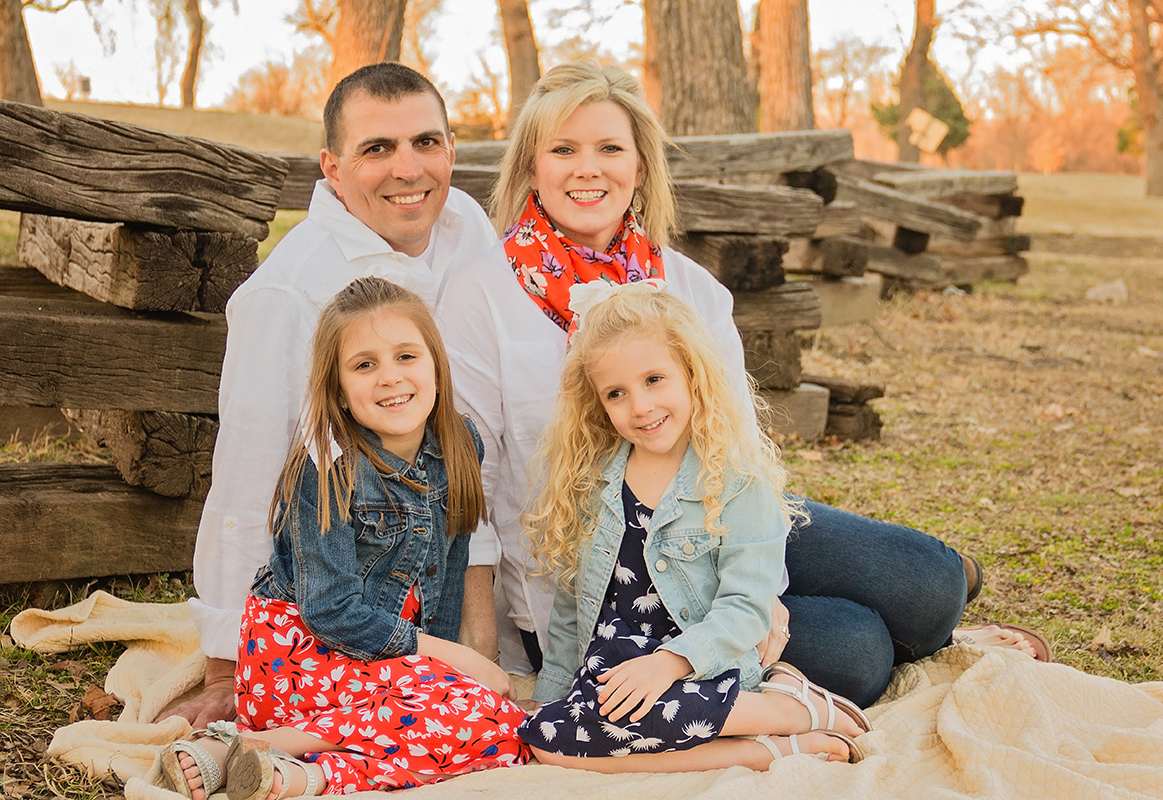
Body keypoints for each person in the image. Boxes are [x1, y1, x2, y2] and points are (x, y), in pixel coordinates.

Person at [437, 61, 1043, 711]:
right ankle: (919, 636)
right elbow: (469, 489)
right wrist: (483, 647)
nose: (588, 168)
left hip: (722, 524)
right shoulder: (480, 295)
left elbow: (738, 449)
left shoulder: (691, 289)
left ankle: (945, 602)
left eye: (610, 148)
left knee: (928, 584)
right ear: (532, 167)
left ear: (640, 165)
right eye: (563, 149)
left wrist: (766, 596)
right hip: (608, 591)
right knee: (857, 654)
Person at [162, 63, 499, 726]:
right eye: (377, 148)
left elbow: (469, 437)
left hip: (440, 571)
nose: (408, 169)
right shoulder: (287, 297)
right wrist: (227, 670)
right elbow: (247, 479)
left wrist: (478, 624)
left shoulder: (466, 227)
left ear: (452, 150)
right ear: (332, 168)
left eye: (426, 143)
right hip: (340, 596)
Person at [162, 278, 528, 800]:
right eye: (364, 365)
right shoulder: (326, 466)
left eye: (406, 356)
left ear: (436, 367)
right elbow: (330, 610)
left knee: (502, 726)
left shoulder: (460, 443)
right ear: (337, 387)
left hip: (380, 663)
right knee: (484, 714)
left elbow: (448, 568)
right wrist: (451, 658)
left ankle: (301, 773)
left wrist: (446, 662)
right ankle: (260, 742)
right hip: (300, 654)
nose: (390, 379)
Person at [516, 280, 867, 772]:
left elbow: (747, 608)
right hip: (614, 666)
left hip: (701, 666)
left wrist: (669, 663)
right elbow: (574, 606)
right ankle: (769, 745)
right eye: (617, 393)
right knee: (545, 741)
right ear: (597, 403)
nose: (640, 406)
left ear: (692, 374)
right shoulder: (596, 483)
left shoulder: (737, 485)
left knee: (656, 715)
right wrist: (552, 693)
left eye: (655, 379)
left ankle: (783, 710)